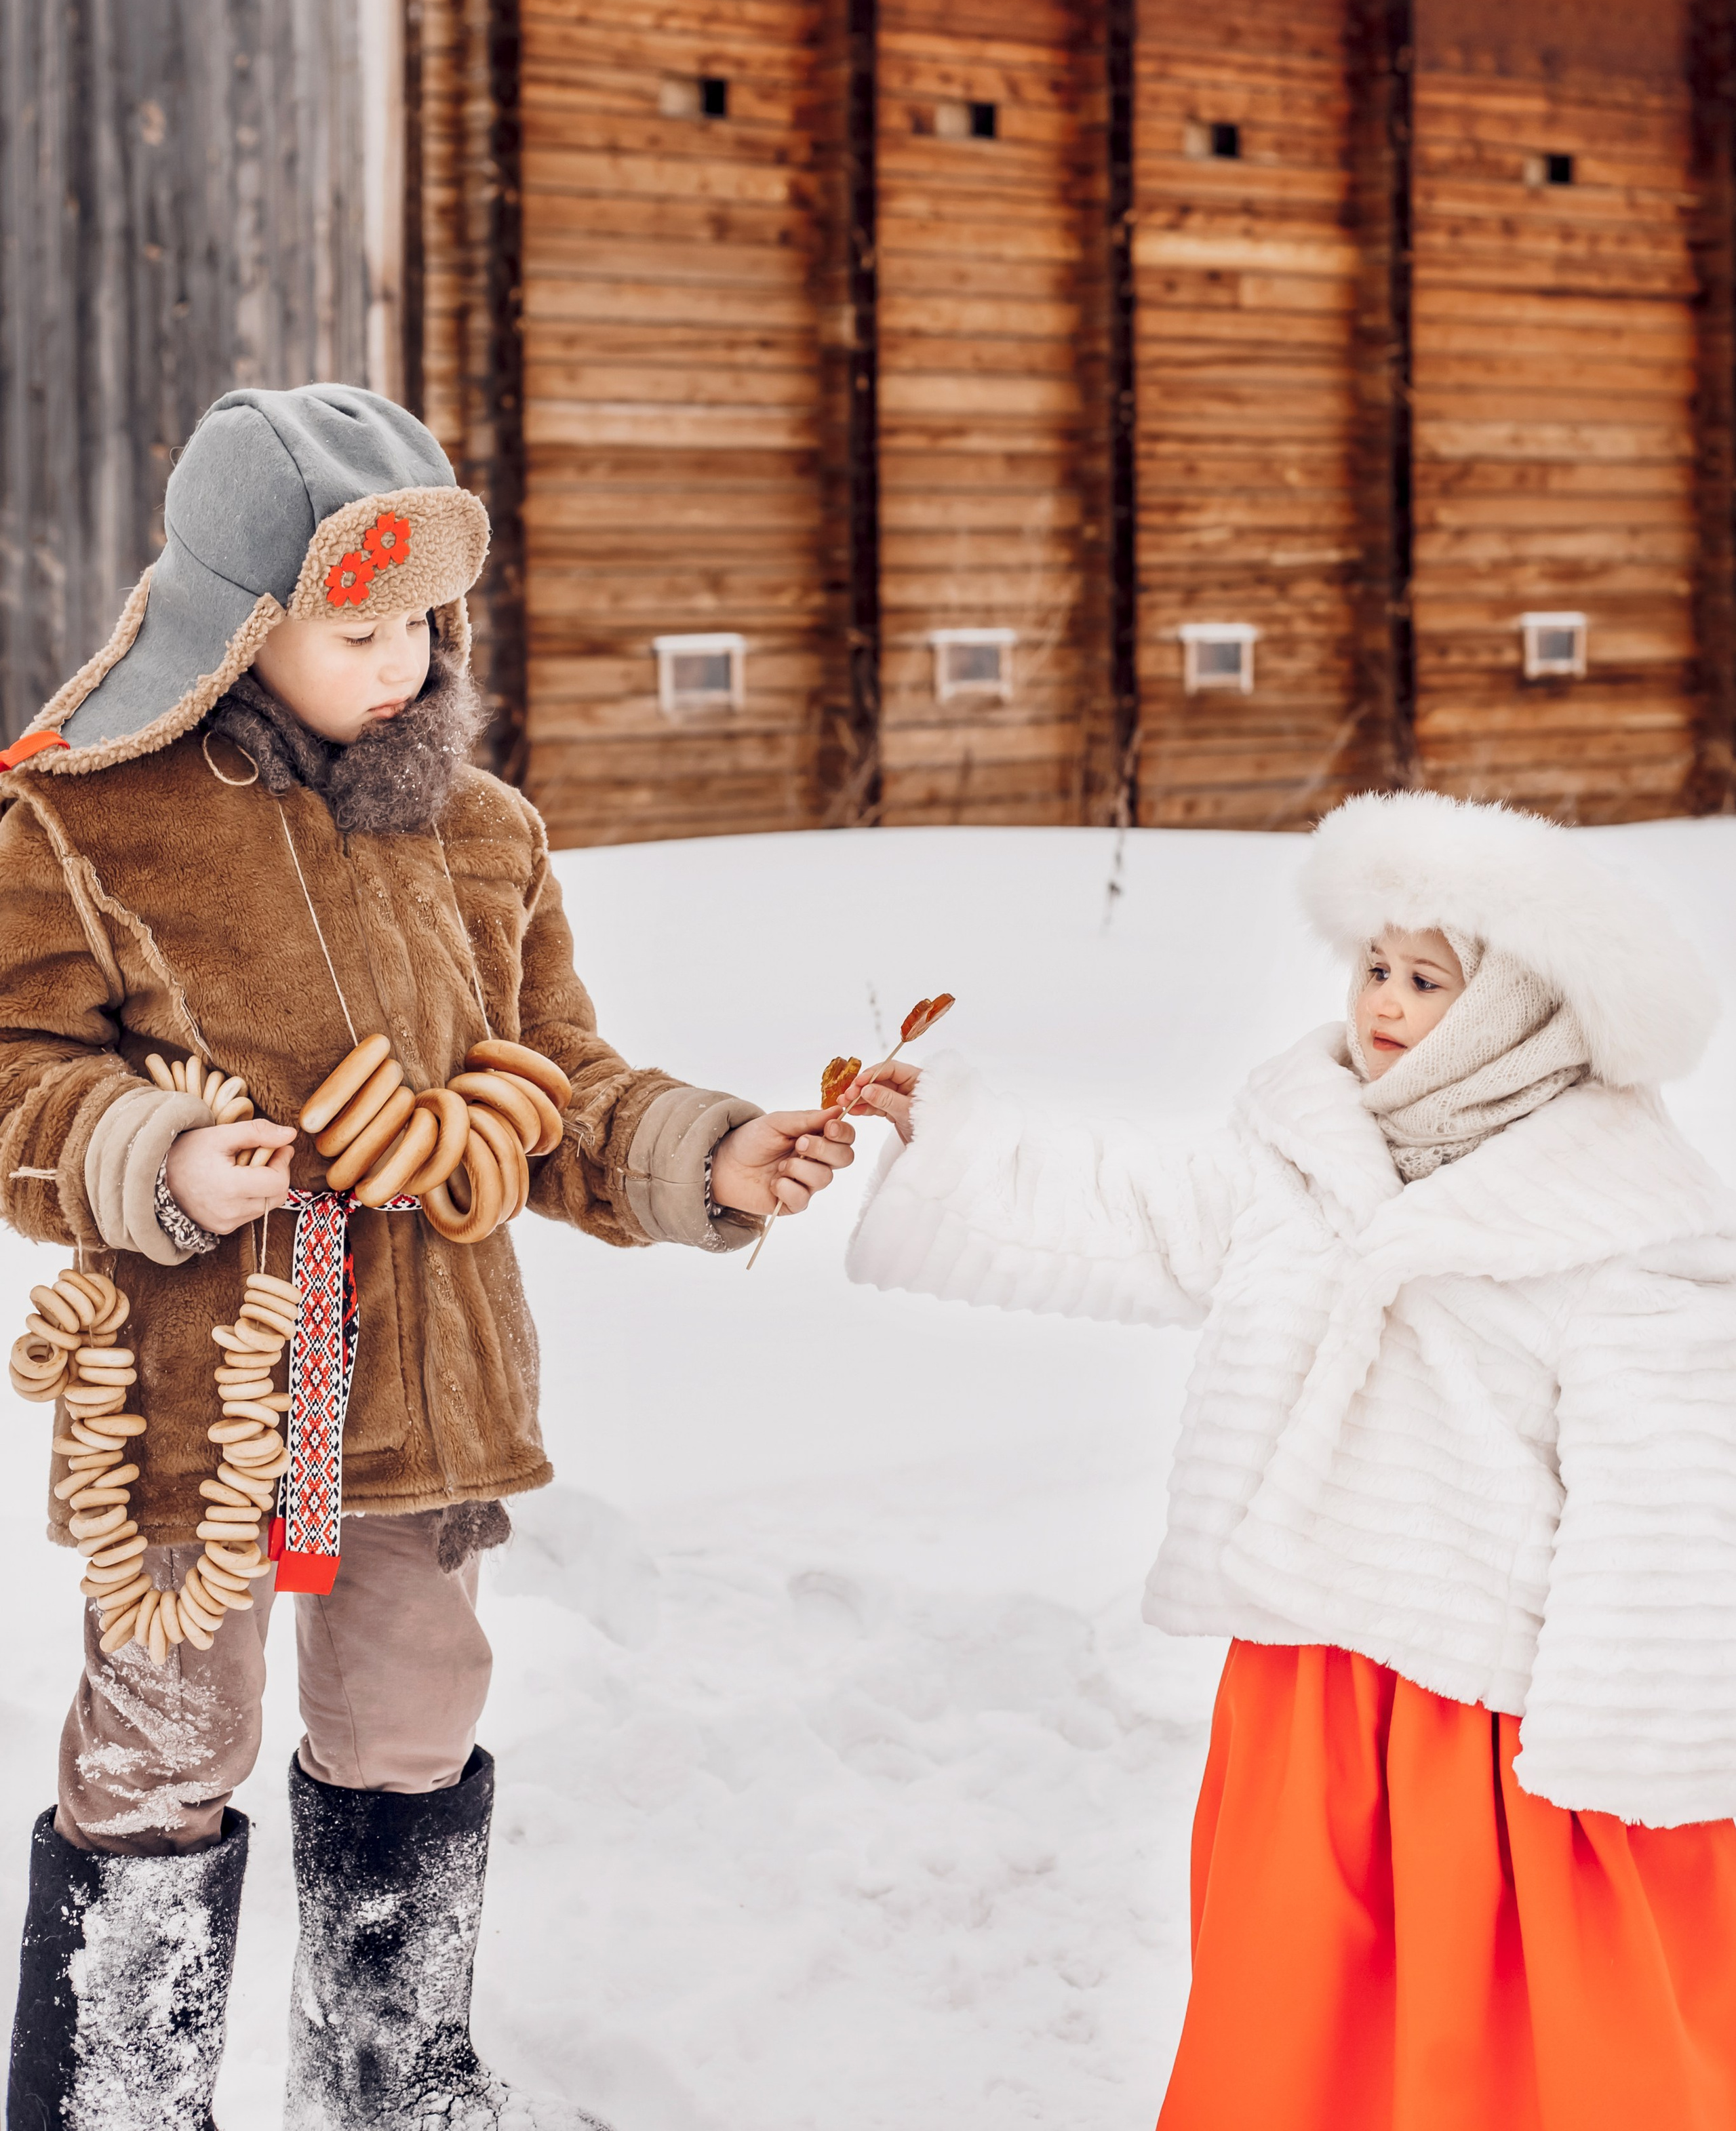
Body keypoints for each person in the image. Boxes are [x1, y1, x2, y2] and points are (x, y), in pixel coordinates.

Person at [0, 384, 854, 2131]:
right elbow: (13, 1074)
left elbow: (564, 1087)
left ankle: (394, 2082)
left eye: (422, 627)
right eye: (356, 627)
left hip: (422, 1381)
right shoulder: (92, 821)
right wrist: (160, 1151)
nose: (401, 664)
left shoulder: (483, 833)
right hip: (216, 1398)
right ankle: (117, 2100)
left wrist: (718, 1155)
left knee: (408, 1722)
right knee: (165, 1738)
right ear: (238, 622)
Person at [846, 789, 1736, 2131]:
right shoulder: (1307, 1151)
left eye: (1426, 978)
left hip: (1488, 1709)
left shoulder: (1621, 1221)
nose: (1380, 1000)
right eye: (1373, 966)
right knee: (1291, 1993)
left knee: (1502, 2017)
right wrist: (952, 1142)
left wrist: (1631, 1747)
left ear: (1523, 1007)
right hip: (1305, 1678)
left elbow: (1672, 1503)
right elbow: (1131, 1214)